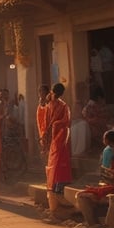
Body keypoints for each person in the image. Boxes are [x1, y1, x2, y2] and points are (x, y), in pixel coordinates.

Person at [45, 82, 73, 219]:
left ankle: (57, 188)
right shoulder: (60, 105)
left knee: (57, 162)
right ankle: (57, 188)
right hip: (58, 136)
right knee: (57, 162)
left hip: (58, 135)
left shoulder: (54, 105)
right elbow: (67, 121)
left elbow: (58, 122)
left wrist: (53, 127)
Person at [36, 84, 51, 157]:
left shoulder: (49, 103)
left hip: (48, 129)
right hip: (41, 129)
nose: (41, 93)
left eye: (42, 91)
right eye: (39, 91)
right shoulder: (39, 104)